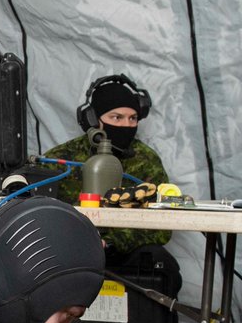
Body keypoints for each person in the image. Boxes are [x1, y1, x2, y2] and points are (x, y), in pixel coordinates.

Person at [44, 74, 172, 259]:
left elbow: (162, 227)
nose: (126, 125)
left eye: (133, 118)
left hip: (122, 253)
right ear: (93, 120)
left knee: (163, 263)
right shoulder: (61, 158)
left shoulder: (146, 159)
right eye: (117, 117)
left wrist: (111, 242)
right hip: (71, 251)